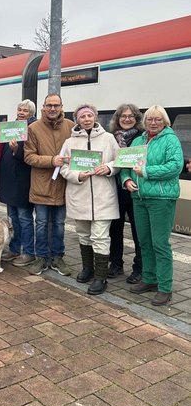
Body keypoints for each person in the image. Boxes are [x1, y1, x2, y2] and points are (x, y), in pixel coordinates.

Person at [121, 105, 183, 306]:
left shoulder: (170, 140)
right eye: (150, 119)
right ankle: (149, 278)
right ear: (144, 121)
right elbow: (126, 165)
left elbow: (175, 166)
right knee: (144, 242)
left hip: (161, 199)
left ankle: (165, 287)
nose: (153, 123)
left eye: (158, 119)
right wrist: (126, 180)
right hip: (139, 198)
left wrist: (147, 172)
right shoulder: (138, 141)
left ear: (165, 122)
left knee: (160, 243)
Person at [60, 104, 120, 295]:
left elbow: (120, 161)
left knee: (100, 237)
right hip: (79, 195)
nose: (86, 119)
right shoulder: (69, 142)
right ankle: (88, 268)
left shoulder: (108, 138)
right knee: (84, 235)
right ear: (77, 119)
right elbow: (63, 167)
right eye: (82, 116)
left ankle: (101, 277)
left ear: (95, 117)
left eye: (89, 115)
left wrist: (109, 168)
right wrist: (77, 175)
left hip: (103, 196)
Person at [24, 94, 74, 276]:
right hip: (42, 185)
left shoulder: (71, 126)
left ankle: (58, 257)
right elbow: (29, 156)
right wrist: (52, 160)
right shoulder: (33, 128)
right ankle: (41, 258)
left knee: (59, 224)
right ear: (43, 107)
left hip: (62, 184)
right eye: (49, 105)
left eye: (56, 105)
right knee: (41, 223)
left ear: (62, 107)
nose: (53, 109)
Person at [108, 104, 144, 283]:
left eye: (131, 116)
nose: (127, 119)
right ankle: (116, 263)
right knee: (115, 230)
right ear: (118, 119)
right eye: (123, 116)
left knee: (139, 232)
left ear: (136, 119)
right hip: (115, 190)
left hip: (135, 190)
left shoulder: (142, 137)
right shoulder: (112, 138)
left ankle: (140, 268)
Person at [0, 100, 37, 266]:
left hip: (23, 181)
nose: (21, 112)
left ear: (32, 113)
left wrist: (16, 150)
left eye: (25, 110)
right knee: (13, 219)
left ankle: (28, 252)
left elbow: (31, 156)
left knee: (24, 218)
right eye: (20, 109)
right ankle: (14, 249)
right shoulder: (11, 128)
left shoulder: (33, 129)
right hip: (9, 181)